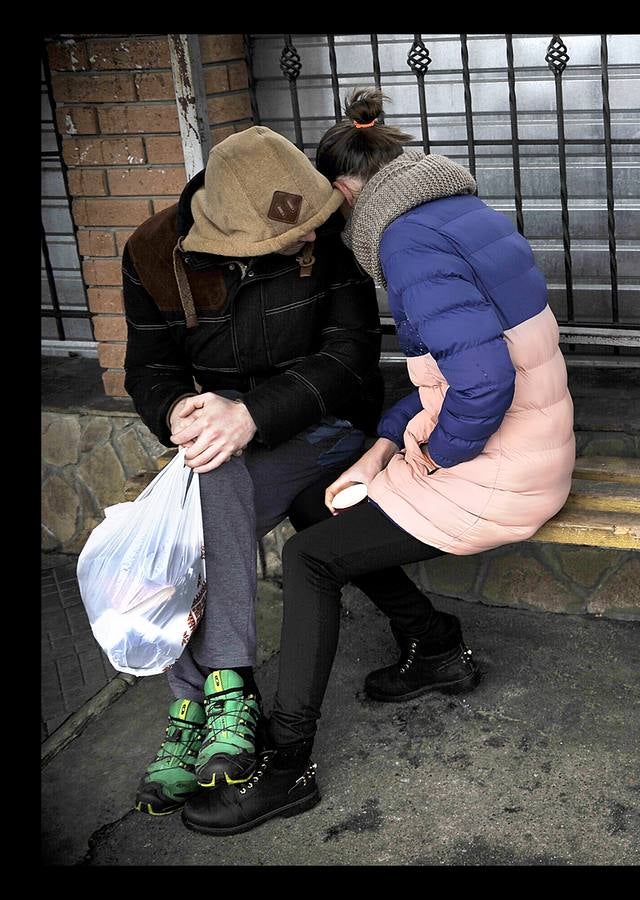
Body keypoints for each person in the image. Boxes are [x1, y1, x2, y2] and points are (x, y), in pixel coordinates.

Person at [179, 89, 576, 835]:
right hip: (530, 444)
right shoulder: (455, 210)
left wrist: (432, 454)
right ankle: (431, 644)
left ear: (344, 189)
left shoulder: (404, 239)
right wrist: (387, 444)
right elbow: (447, 372)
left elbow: (482, 382)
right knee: (320, 503)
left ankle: (287, 763)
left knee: (309, 561)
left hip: (502, 467)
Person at [121, 126, 389, 817]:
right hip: (227, 436)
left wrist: (249, 417)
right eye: (289, 239)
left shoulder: (325, 232)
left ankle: (212, 697)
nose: (311, 240)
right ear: (233, 238)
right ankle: (214, 706)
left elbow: (349, 359)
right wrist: (178, 408)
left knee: (212, 478)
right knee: (201, 487)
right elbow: (150, 369)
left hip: (328, 425)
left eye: (312, 229)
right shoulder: (154, 254)